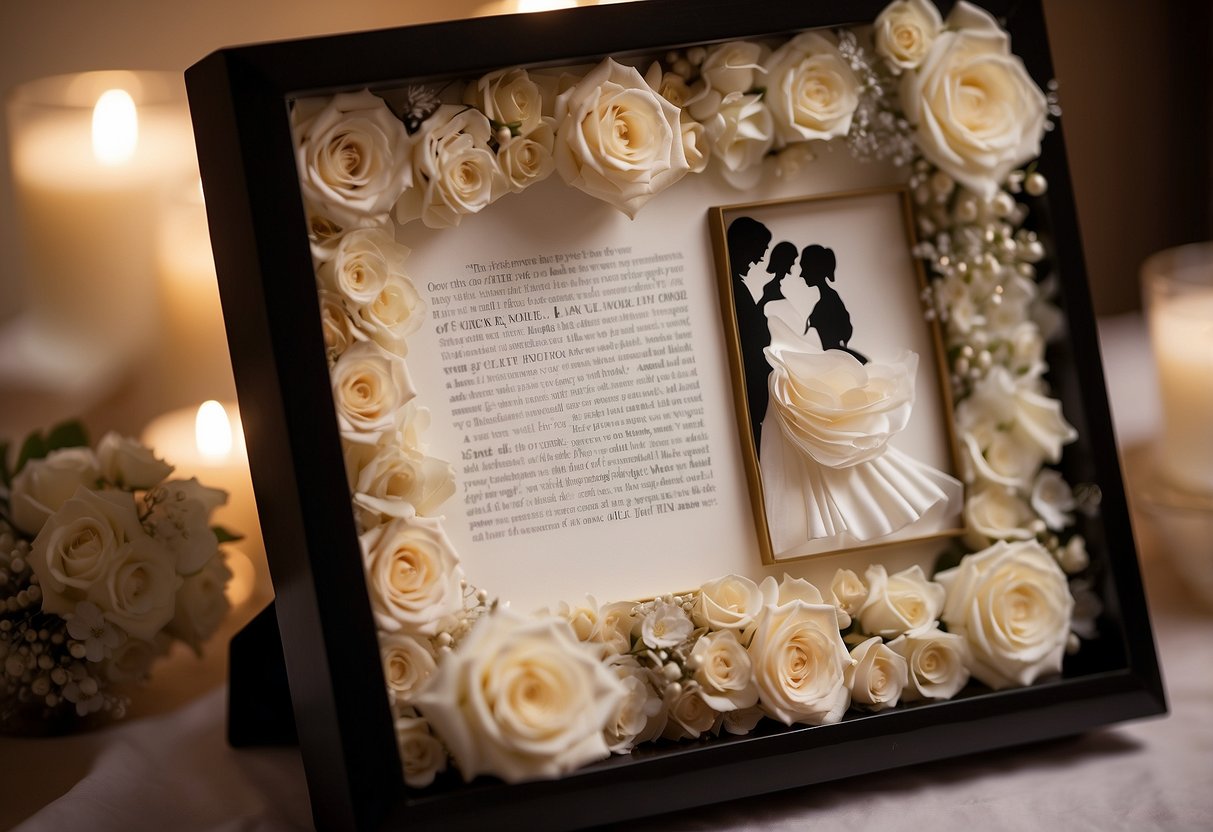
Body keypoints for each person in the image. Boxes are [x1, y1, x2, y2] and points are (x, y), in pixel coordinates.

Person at [725, 217, 774, 446]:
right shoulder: (732, 287)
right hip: (749, 383)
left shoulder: (735, 285)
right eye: (759, 250)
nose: (761, 258)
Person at [799, 244, 868, 364]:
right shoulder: (829, 299)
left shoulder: (828, 301)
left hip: (832, 362)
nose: (801, 274)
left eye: (804, 268)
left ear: (814, 268)